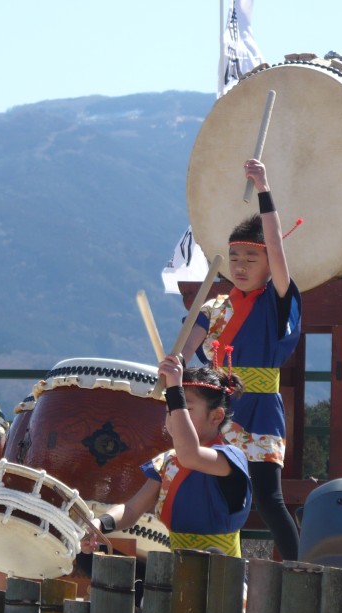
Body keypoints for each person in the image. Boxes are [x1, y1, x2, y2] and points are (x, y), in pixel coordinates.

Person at [181, 158, 302, 560]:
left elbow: (279, 248)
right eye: (235, 259)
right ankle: (216, 569)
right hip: (217, 409)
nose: (241, 267)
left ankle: (300, 574)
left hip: (261, 409)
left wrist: (264, 188)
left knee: (268, 499)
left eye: (252, 259)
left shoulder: (276, 302)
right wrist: (174, 368)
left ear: (269, 264)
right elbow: (185, 350)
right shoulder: (213, 306)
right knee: (210, 490)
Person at [81, 360, 251, 559]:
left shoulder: (230, 457)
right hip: (176, 568)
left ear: (216, 416)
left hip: (222, 572)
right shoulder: (167, 462)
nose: (174, 417)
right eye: (170, 410)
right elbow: (132, 509)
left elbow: (190, 456)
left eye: (183, 409)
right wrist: (100, 525)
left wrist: (175, 390)